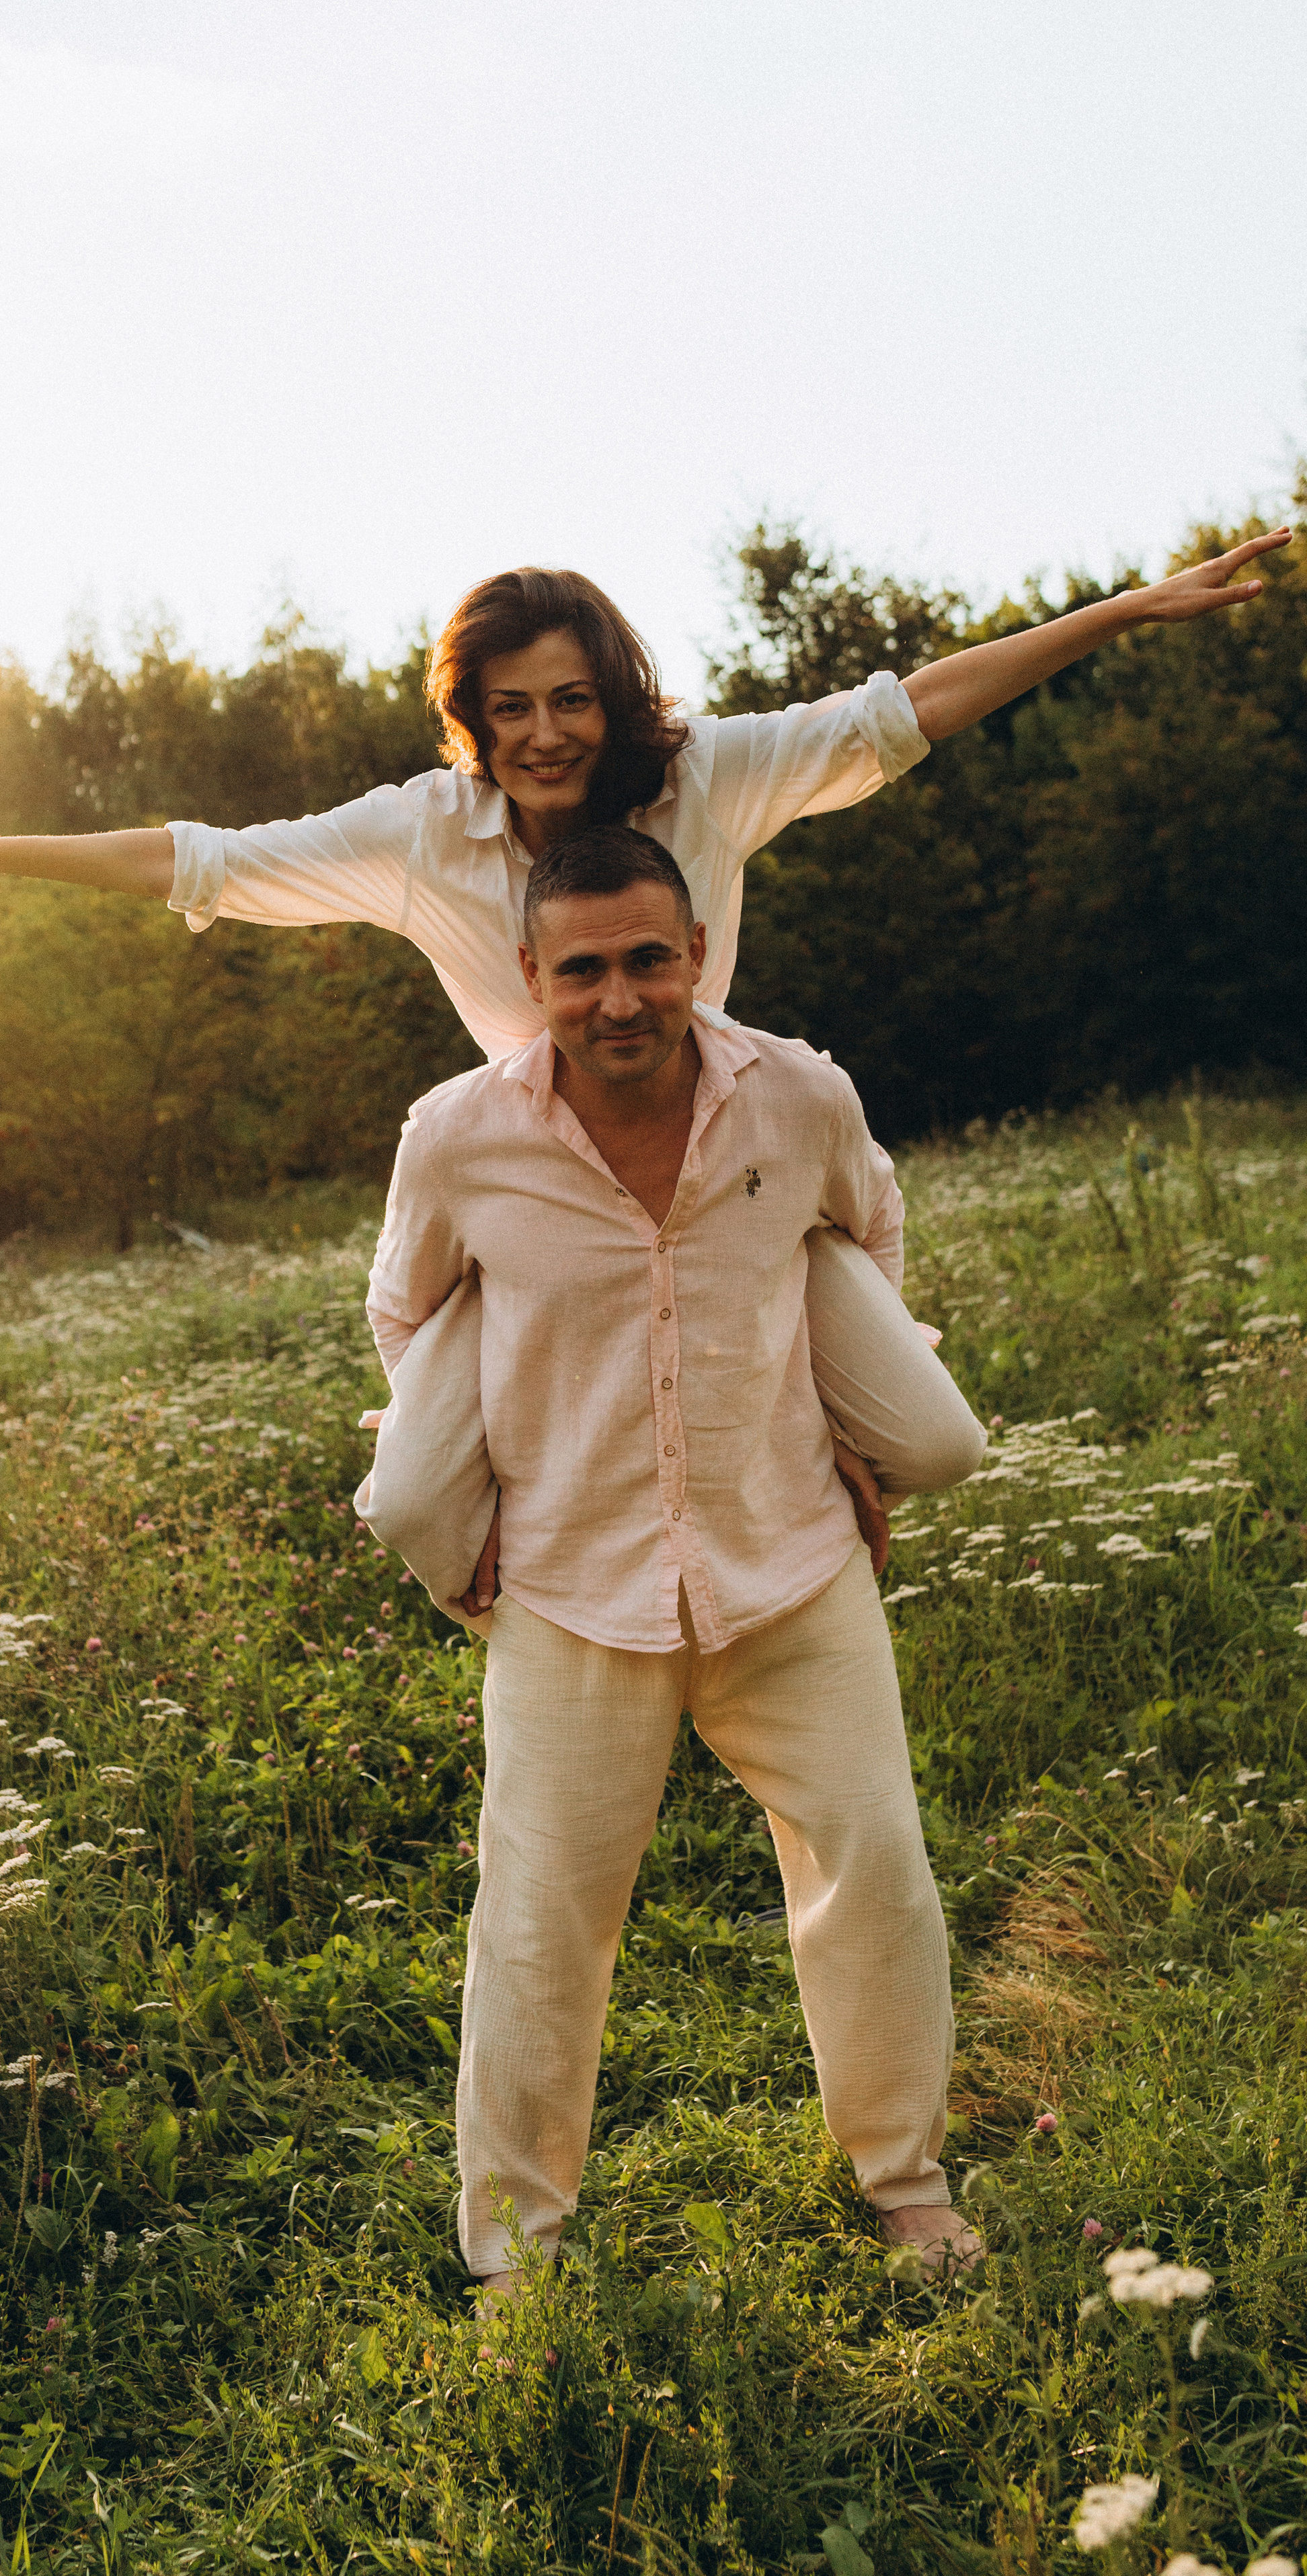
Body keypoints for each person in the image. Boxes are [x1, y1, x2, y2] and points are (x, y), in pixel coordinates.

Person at [0, 530, 1292, 1582]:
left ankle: (785, 1471)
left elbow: (903, 711)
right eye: (511, 706)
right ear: (472, 717)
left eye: (570, 699)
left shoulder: (705, 777)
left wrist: (1121, 611)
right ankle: (542, 1575)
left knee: (932, 1441)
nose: (543, 734)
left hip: (724, 1149)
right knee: (408, 1497)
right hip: (534, 1184)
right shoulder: (423, 832)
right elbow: (199, 857)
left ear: (613, 699)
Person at [364, 821, 969, 2286]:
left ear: (696, 955)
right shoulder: (458, 1134)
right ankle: (515, 2256)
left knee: (874, 1871)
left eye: (648, 959)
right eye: (582, 970)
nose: (618, 997)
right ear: (530, 975)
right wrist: (462, 1503)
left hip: (786, 1564)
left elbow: (867, 1232)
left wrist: (847, 1422)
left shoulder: (797, 1098)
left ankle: (904, 2182)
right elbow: (405, 1315)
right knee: (536, 1930)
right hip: (569, 1590)